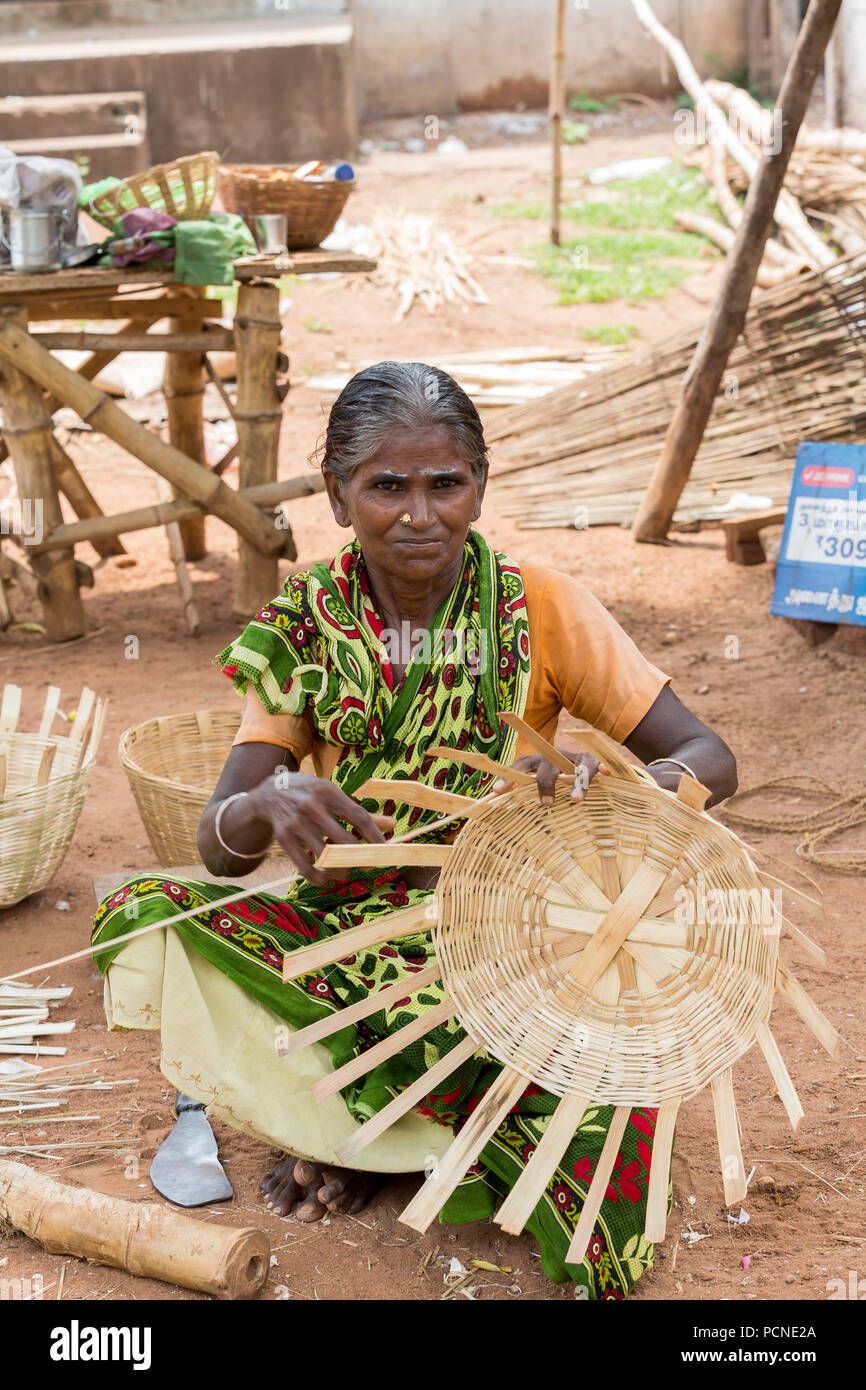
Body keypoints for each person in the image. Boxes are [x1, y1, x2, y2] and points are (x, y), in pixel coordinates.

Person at [93, 361, 736, 1298]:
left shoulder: (542, 607)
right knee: (157, 913)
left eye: (447, 483)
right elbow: (215, 848)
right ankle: (394, 1135)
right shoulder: (310, 623)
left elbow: (709, 756)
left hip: (511, 941)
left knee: (597, 1093)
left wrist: (627, 785)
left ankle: (363, 1133)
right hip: (349, 929)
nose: (420, 513)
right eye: (387, 485)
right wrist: (265, 803)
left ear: (481, 484)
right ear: (336, 494)